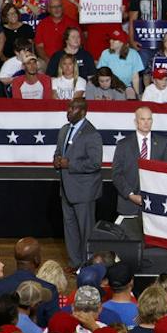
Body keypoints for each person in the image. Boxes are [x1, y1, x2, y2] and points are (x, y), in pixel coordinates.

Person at [54, 99, 106, 265]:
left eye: (73, 108)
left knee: (86, 230)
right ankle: (75, 263)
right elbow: (58, 152)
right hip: (66, 189)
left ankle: (87, 264)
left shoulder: (92, 134)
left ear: (83, 112)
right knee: (70, 229)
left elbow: (95, 163)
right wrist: (56, 160)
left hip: (84, 191)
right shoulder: (64, 130)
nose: (68, 111)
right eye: (68, 107)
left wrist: (69, 164)